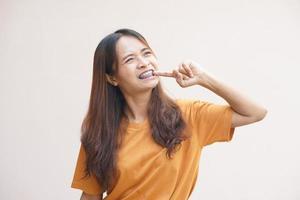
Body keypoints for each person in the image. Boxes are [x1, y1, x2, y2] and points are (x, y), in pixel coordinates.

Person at [71, 28, 267, 200]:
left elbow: (255, 113)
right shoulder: (99, 133)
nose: (143, 63)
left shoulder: (189, 115)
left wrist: (203, 78)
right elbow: (90, 196)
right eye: (130, 59)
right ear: (112, 78)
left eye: (147, 53)